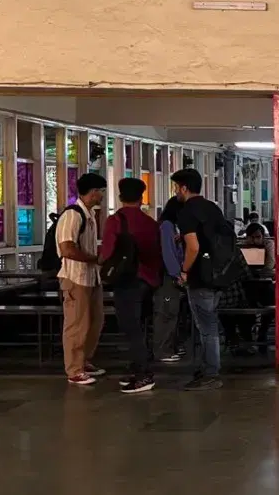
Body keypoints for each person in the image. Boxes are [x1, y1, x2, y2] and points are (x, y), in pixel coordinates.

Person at [100, 178, 161, 394]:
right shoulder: (151, 223)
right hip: (149, 281)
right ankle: (138, 368)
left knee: (131, 328)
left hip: (127, 281)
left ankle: (143, 374)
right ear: (141, 197)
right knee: (142, 326)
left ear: (119, 196)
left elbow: (107, 253)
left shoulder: (115, 221)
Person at [173, 168, 230, 391]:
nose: (176, 192)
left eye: (177, 187)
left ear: (184, 188)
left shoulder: (186, 212)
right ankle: (208, 367)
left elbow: (194, 247)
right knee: (210, 325)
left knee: (207, 328)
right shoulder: (212, 207)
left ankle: (211, 373)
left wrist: (184, 270)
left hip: (200, 276)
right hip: (218, 274)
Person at [57, 173, 107, 385]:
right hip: (75, 278)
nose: (103, 196)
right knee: (77, 324)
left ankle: (85, 359)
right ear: (93, 192)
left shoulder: (89, 215)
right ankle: (74, 369)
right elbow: (67, 248)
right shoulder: (73, 215)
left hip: (91, 278)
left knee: (95, 321)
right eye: (101, 191)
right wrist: (94, 258)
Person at [153, 197, 186, 364]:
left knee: (172, 313)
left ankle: (170, 347)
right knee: (166, 313)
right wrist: (177, 274)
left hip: (172, 274)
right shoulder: (166, 226)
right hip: (168, 276)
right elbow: (168, 253)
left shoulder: (172, 227)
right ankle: (163, 351)